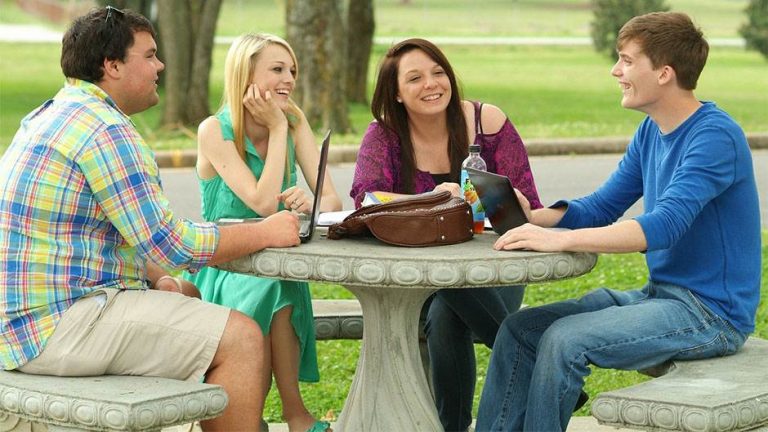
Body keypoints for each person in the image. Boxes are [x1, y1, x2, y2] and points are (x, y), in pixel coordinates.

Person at [0, 7, 303, 432]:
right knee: (242, 336)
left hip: (23, 322)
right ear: (112, 65)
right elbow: (172, 244)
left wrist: (157, 278)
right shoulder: (105, 130)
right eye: (149, 55)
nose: (160, 66)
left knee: (189, 294)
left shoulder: (51, 114)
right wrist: (266, 231)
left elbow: (107, 233)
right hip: (57, 328)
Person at [476, 11, 761, 432]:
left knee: (564, 340)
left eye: (626, 60)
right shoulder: (651, 131)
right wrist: (535, 218)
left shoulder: (715, 137)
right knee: (521, 329)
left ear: (664, 73)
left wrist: (560, 240)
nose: (616, 71)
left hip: (711, 315)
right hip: (660, 296)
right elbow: (601, 206)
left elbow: (663, 226)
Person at [350, 38, 542, 432]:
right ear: (396, 93)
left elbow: (529, 207)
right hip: (417, 276)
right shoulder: (384, 135)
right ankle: (537, 365)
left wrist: (514, 201)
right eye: (415, 78)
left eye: (438, 72)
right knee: (443, 303)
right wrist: (432, 198)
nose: (431, 84)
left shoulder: (488, 123)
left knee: (447, 312)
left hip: (493, 269)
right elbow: (365, 199)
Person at [183, 33, 341, 432]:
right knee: (273, 288)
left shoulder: (294, 119)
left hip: (276, 263)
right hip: (226, 267)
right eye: (277, 69)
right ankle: (289, 416)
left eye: (292, 70)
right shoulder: (214, 130)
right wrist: (277, 128)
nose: (289, 79)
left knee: (277, 284)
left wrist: (308, 203)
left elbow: (332, 200)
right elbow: (264, 203)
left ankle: (286, 415)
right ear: (245, 74)